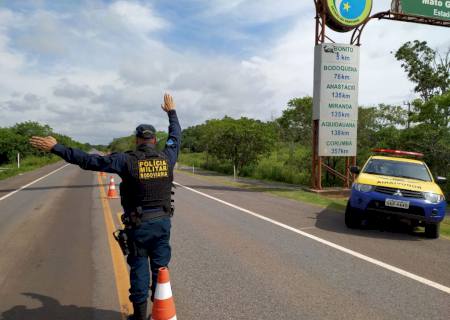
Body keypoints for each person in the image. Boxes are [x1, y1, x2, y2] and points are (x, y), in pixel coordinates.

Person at [30, 93, 181, 320]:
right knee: (160, 269)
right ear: (154, 140)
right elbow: (176, 136)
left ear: (137, 140)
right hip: (162, 223)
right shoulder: (167, 156)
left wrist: (56, 147)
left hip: (139, 226)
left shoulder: (126, 159)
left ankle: (140, 317)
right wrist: (172, 112)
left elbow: (89, 161)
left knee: (139, 270)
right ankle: (160, 310)